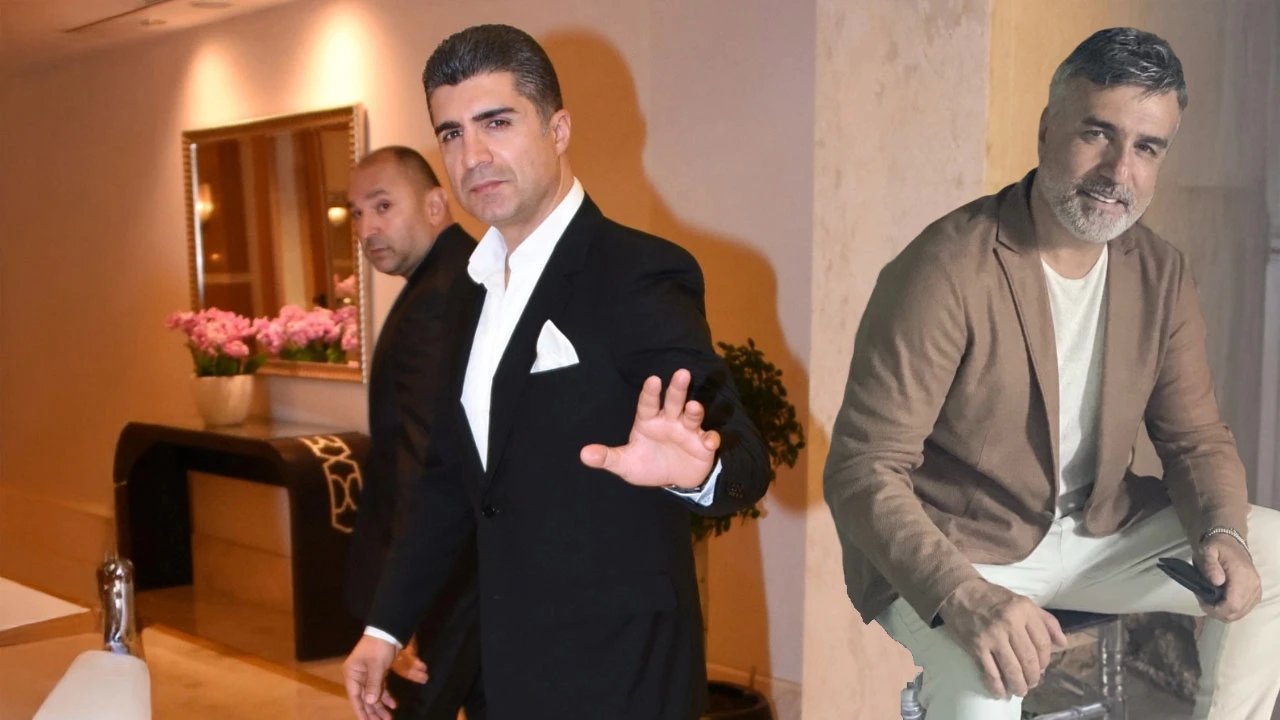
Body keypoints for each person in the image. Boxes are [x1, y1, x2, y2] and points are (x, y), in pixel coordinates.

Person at [824, 27, 1280, 720]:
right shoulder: (945, 268)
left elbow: (1195, 439)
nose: (1119, 171)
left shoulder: (1161, 274)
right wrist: (964, 596)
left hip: (1099, 534)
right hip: (960, 546)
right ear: (1046, 130)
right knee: (986, 684)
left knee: (1272, 554)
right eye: (1098, 134)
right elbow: (863, 469)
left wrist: (1225, 535)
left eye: (1147, 148)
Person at [342, 24, 769, 720]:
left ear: (558, 128)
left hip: (620, 677)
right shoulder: (470, 290)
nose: (473, 155)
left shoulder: (637, 273)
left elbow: (745, 453)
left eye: (497, 122)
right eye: (451, 133)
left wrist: (700, 472)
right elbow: (448, 481)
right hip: (507, 668)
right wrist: (385, 628)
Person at [344, 146, 484, 719]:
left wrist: (400, 612)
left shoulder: (438, 296)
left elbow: (424, 464)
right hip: (469, 571)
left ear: (434, 205)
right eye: (356, 213)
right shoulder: (461, 273)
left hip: (445, 581)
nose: (366, 229)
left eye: (383, 206)